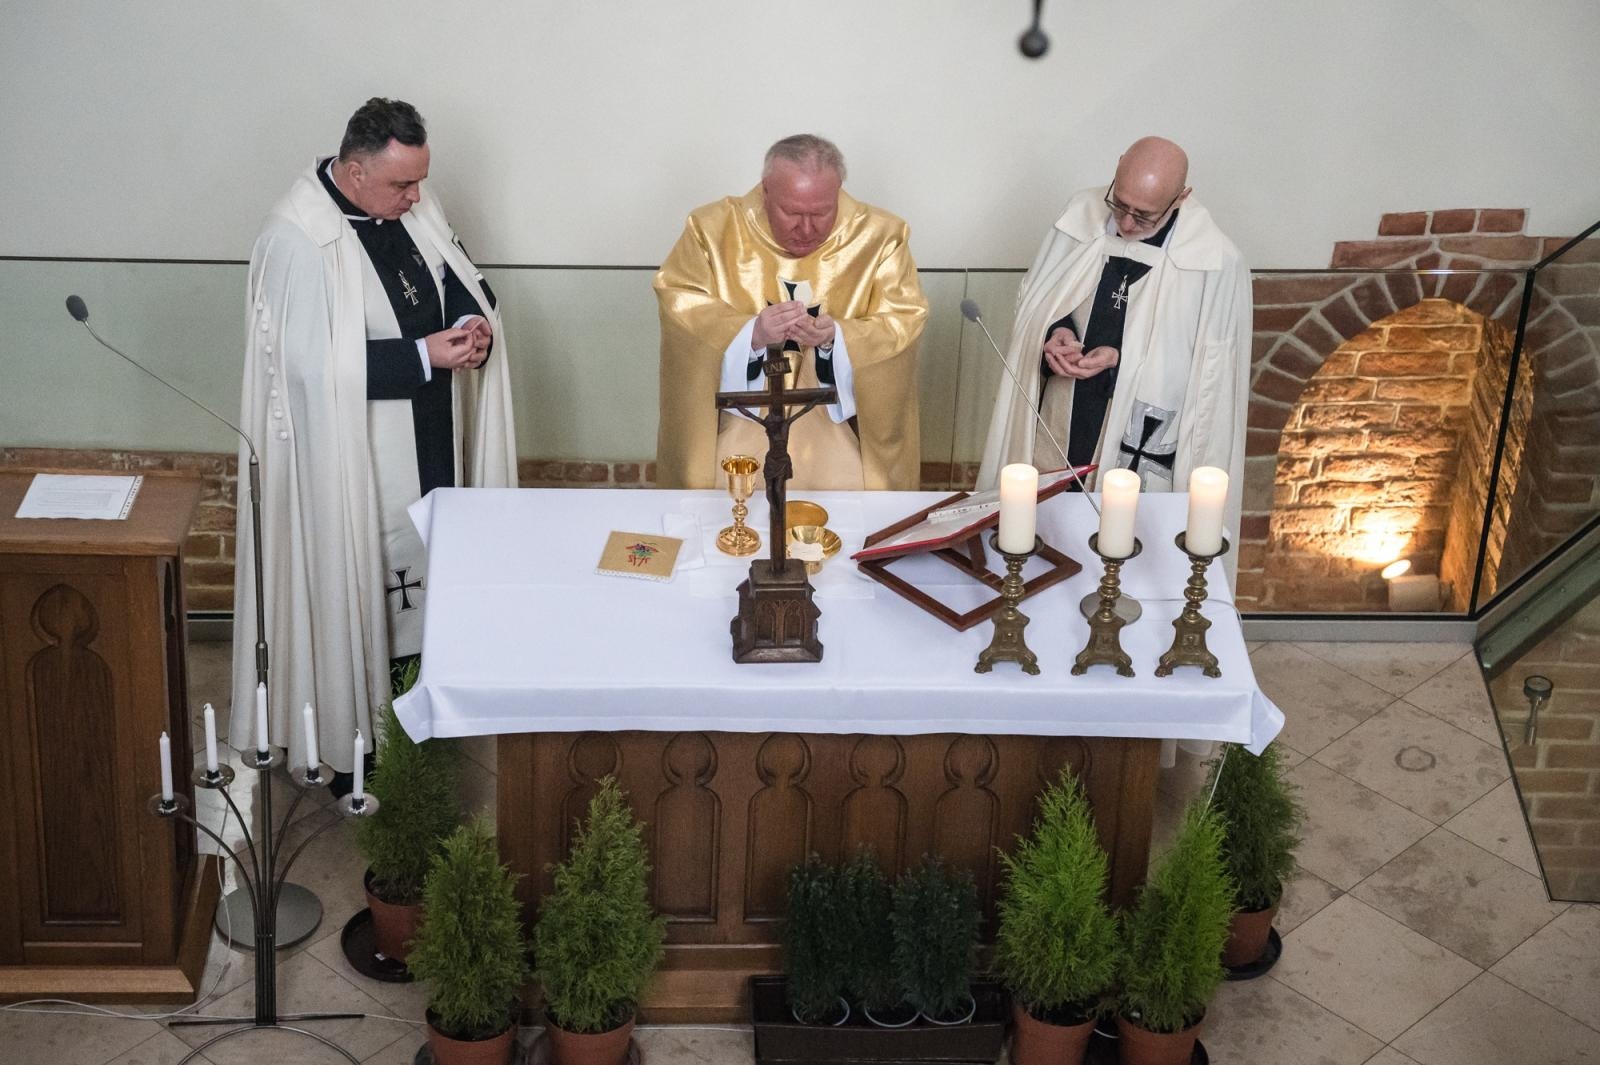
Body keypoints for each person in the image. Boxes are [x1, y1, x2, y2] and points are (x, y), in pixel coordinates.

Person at [231, 98, 516, 786]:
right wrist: (424, 357)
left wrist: (473, 326)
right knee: (374, 584)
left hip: (432, 432)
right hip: (351, 461)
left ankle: (423, 721)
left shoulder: (411, 203)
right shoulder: (299, 238)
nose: (417, 196)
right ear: (354, 173)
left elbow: (455, 279)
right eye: (401, 185)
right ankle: (355, 738)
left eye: (420, 180)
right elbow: (305, 369)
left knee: (435, 571)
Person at [978, 136, 1250, 539]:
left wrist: (1121, 359)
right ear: (1118, 166)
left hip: (1135, 430)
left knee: (1121, 540)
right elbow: (1042, 303)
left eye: (1144, 216)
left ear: (1182, 197)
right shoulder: (1079, 220)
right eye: (1119, 204)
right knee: (1039, 533)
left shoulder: (1213, 262)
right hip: (1059, 413)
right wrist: (1057, 332)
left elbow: (1208, 383)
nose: (1125, 224)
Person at [655, 134, 928, 491]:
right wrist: (749, 334)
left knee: (853, 494)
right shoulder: (711, 230)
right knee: (719, 498)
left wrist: (838, 339)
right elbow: (680, 300)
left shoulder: (881, 237)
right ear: (766, 190)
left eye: (821, 212)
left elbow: (903, 320)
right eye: (793, 213)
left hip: (838, 427)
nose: (807, 228)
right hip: (740, 421)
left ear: (838, 192)